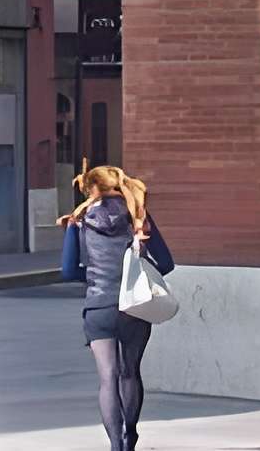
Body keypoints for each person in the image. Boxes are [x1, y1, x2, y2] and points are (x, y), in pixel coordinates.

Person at [61, 163, 176, 451]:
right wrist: (136, 270)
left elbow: (68, 271)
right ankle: (131, 434)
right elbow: (166, 263)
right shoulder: (138, 216)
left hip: (99, 307)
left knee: (107, 378)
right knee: (130, 372)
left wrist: (93, 277)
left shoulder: (79, 220)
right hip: (134, 306)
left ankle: (115, 444)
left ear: (92, 188)